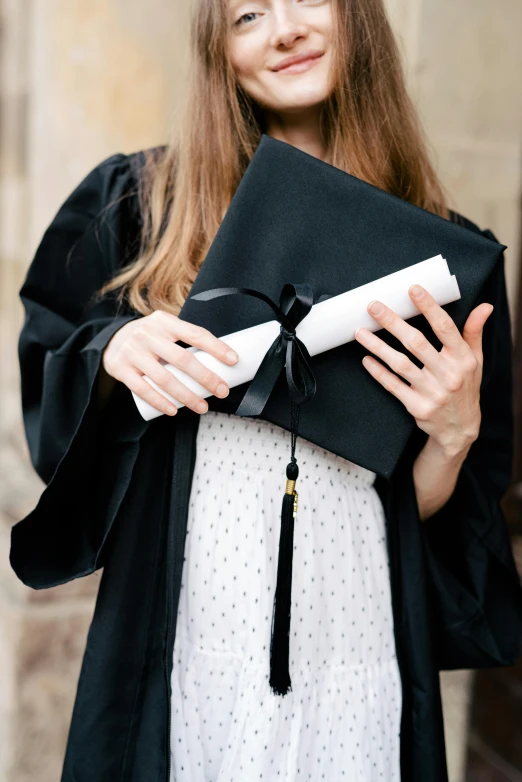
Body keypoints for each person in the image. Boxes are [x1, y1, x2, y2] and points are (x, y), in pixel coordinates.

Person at [10, 0, 522, 780]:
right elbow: (55, 377)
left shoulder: (440, 260)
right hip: (189, 634)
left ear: (359, 19)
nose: (284, 28)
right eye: (248, 14)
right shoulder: (141, 206)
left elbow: (412, 519)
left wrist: (452, 436)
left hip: (355, 645)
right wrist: (113, 353)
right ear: (220, 51)